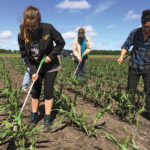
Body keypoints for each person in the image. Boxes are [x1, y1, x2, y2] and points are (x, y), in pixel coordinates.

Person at [18, 5, 65, 132]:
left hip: (51, 65)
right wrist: (33, 72)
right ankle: (33, 117)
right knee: (35, 91)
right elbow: (26, 56)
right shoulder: (22, 34)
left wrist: (51, 55)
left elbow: (61, 43)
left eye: (33, 25)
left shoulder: (48, 28)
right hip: (35, 64)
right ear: (25, 22)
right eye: (28, 25)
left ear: (39, 21)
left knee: (48, 91)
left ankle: (47, 118)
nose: (31, 28)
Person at [118, 9, 150, 119]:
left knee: (148, 90)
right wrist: (122, 56)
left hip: (148, 67)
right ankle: (128, 110)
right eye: (145, 26)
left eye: (149, 27)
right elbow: (126, 45)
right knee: (131, 89)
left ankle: (148, 112)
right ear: (142, 24)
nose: (147, 29)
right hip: (134, 65)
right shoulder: (135, 32)